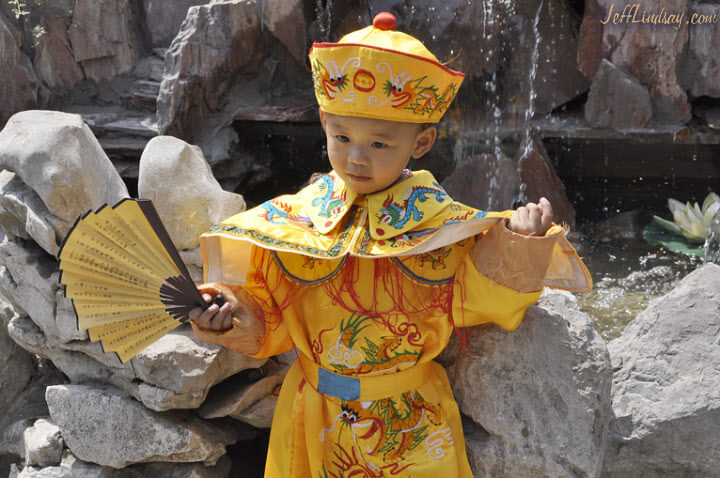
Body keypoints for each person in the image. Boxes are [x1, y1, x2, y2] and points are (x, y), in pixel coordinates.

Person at [189, 12, 592, 477]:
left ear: (421, 141)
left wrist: (520, 242)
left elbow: (472, 303)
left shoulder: (443, 227)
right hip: (309, 417)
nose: (356, 157)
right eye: (341, 137)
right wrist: (226, 313)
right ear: (322, 122)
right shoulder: (294, 221)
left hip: (413, 427)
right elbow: (270, 319)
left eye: (380, 144)